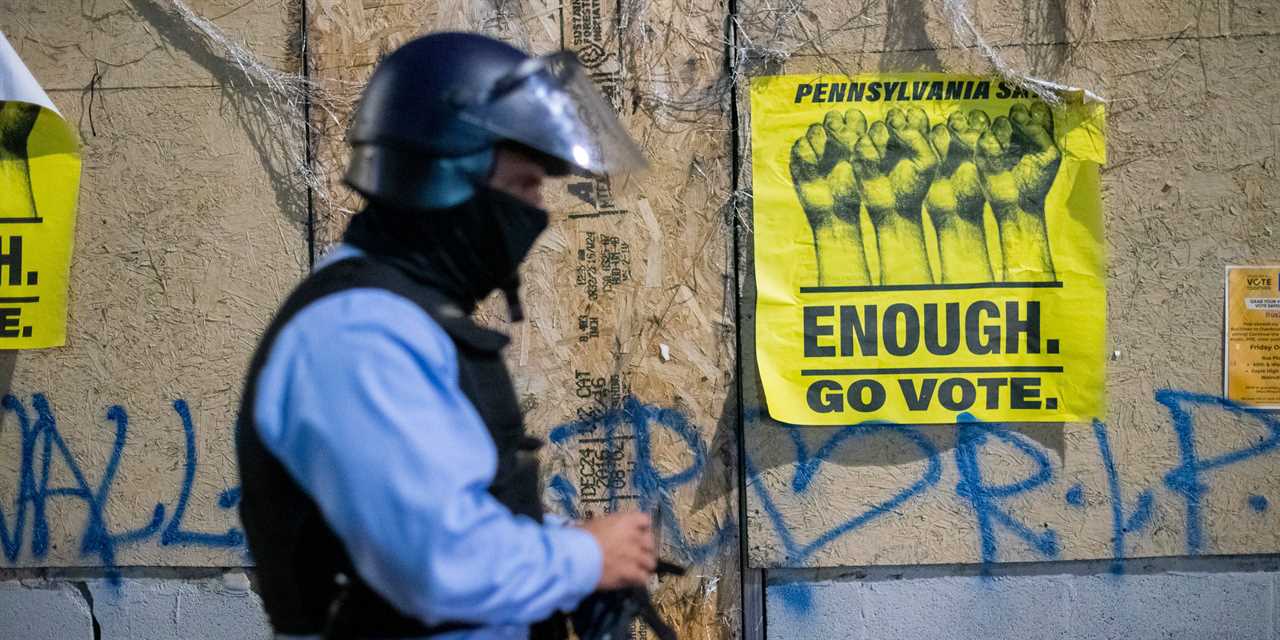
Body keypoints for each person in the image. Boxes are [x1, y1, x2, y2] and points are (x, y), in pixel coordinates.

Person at [235, 32, 658, 640]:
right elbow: (435, 562)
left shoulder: (402, 315)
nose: (536, 212)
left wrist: (560, 543)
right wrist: (587, 559)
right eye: (523, 186)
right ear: (446, 174)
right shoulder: (358, 334)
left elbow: (448, 504)